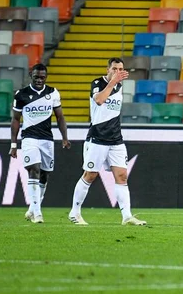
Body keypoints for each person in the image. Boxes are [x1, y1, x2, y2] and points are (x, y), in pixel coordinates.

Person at [68, 57, 146, 226]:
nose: (117, 72)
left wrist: (116, 82)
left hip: (116, 139)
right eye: (114, 69)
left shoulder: (119, 85)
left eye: (120, 70)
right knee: (90, 176)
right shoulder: (97, 83)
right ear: (107, 69)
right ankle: (74, 213)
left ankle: (127, 216)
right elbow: (99, 100)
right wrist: (112, 83)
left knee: (122, 176)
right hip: (97, 137)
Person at [10, 64, 70, 223]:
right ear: (31, 75)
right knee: (34, 170)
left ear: (46, 77)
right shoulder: (21, 95)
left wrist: (64, 137)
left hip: (47, 139)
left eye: (42, 77)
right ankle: (38, 213)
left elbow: (60, 117)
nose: (39, 80)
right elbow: (16, 120)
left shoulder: (53, 93)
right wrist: (14, 145)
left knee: (44, 174)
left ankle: (32, 209)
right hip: (29, 138)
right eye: (36, 76)